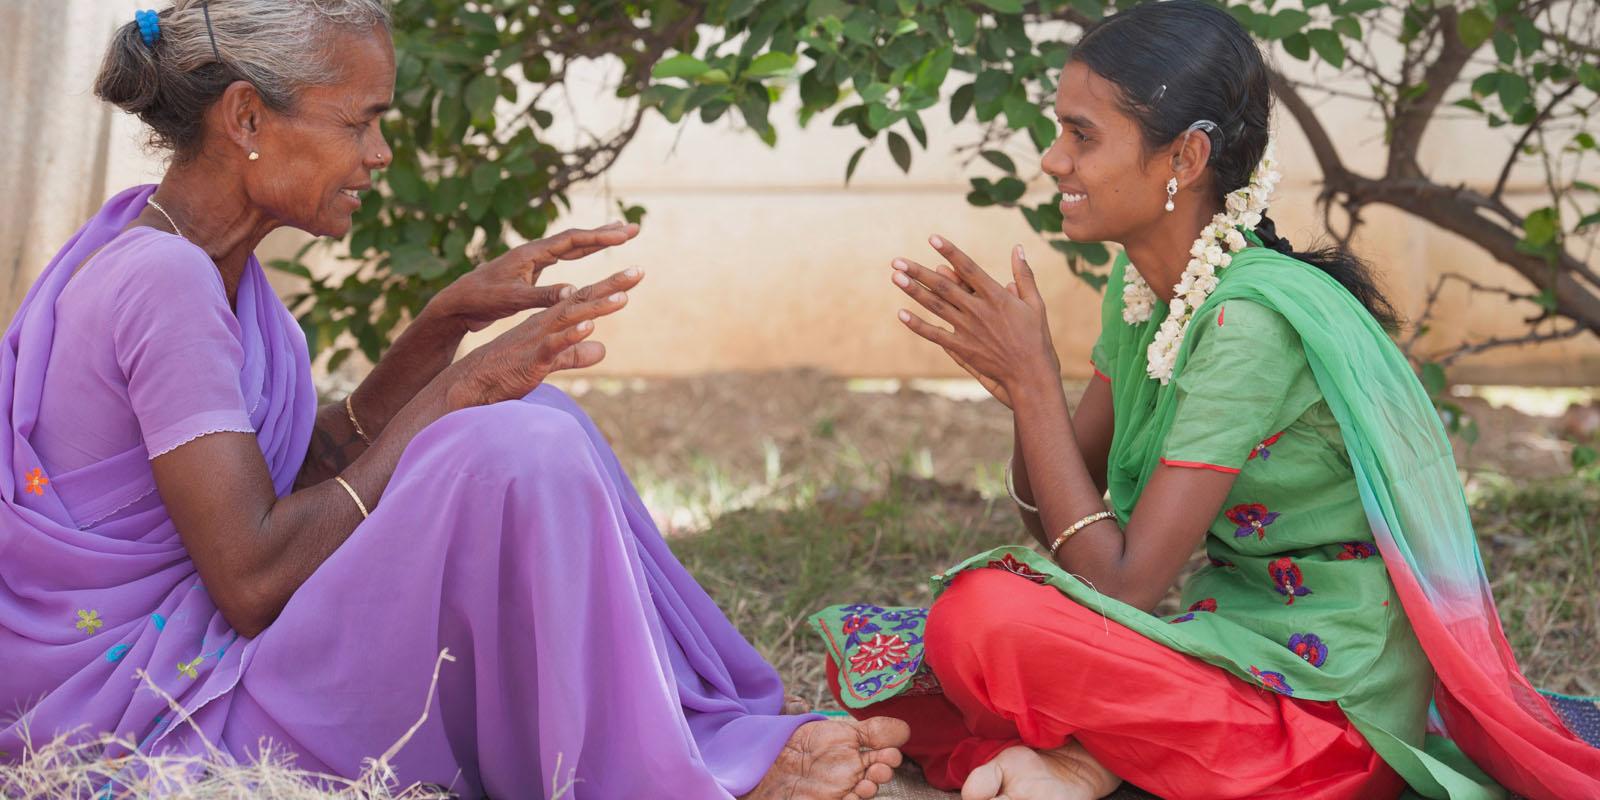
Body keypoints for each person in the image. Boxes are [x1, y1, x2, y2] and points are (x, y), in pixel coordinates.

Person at [0, 2, 909, 797]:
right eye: (360, 123)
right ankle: (665, 775)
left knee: (532, 422)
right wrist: (455, 390)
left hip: (208, 653)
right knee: (512, 449)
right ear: (247, 117)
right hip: (162, 704)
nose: (378, 155)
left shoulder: (177, 248)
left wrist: (436, 335)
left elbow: (288, 482)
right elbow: (251, 580)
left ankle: (685, 738)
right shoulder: (164, 278)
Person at [810, 3, 1600, 798]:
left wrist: (1036, 385)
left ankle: (1082, 761)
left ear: (1183, 157)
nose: (1053, 161)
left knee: (978, 622)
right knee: (951, 635)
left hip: (1326, 717)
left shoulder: (1247, 323)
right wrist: (1027, 394)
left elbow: (1122, 588)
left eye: (1081, 135)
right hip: (1223, 644)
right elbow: (1053, 521)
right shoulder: (1146, 290)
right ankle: (1080, 763)